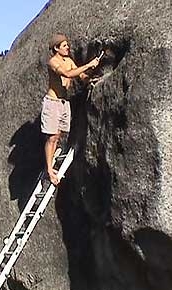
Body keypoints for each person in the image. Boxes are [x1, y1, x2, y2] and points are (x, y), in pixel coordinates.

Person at [42, 33, 101, 185]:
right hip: (53, 102)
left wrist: (91, 78)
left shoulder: (68, 60)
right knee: (52, 137)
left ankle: (51, 162)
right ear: (56, 48)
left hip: (63, 103)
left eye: (67, 44)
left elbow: (79, 75)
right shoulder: (53, 62)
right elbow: (67, 74)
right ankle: (49, 169)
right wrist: (88, 65)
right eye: (64, 45)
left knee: (59, 135)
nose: (68, 47)